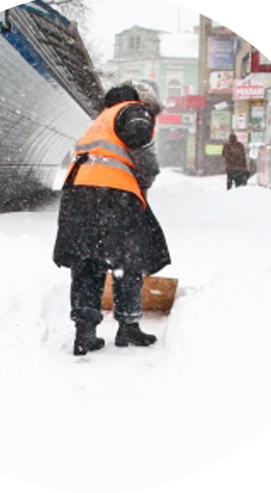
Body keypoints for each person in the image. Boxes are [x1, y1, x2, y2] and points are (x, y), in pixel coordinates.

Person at [53, 81, 171, 356]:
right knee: (127, 258)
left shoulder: (102, 118)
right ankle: (128, 326)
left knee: (87, 260)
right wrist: (147, 177)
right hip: (113, 194)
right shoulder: (135, 110)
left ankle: (85, 332)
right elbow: (140, 141)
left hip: (78, 194)